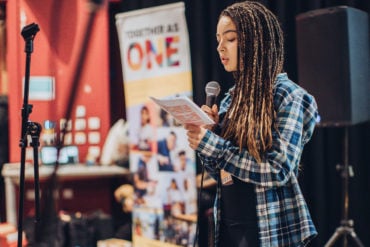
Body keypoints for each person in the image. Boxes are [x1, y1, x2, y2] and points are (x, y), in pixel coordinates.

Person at [184, 1, 318, 246]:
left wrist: (213, 145)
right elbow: (222, 172)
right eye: (218, 39)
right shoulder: (230, 99)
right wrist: (210, 135)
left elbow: (278, 168)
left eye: (231, 39)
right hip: (229, 225)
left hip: (268, 229)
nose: (220, 47)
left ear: (256, 41)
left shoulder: (289, 96)